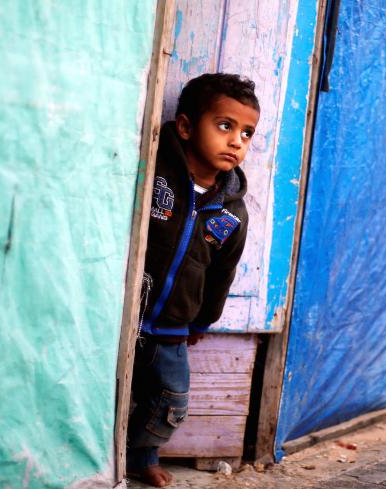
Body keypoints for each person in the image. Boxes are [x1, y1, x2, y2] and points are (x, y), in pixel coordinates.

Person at [127, 73, 260, 487]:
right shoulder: (155, 172)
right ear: (185, 127)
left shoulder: (232, 213)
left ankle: (141, 453)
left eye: (247, 132)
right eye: (225, 126)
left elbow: (223, 274)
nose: (237, 140)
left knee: (172, 398)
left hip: (173, 325)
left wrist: (203, 320)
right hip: (122, 312)